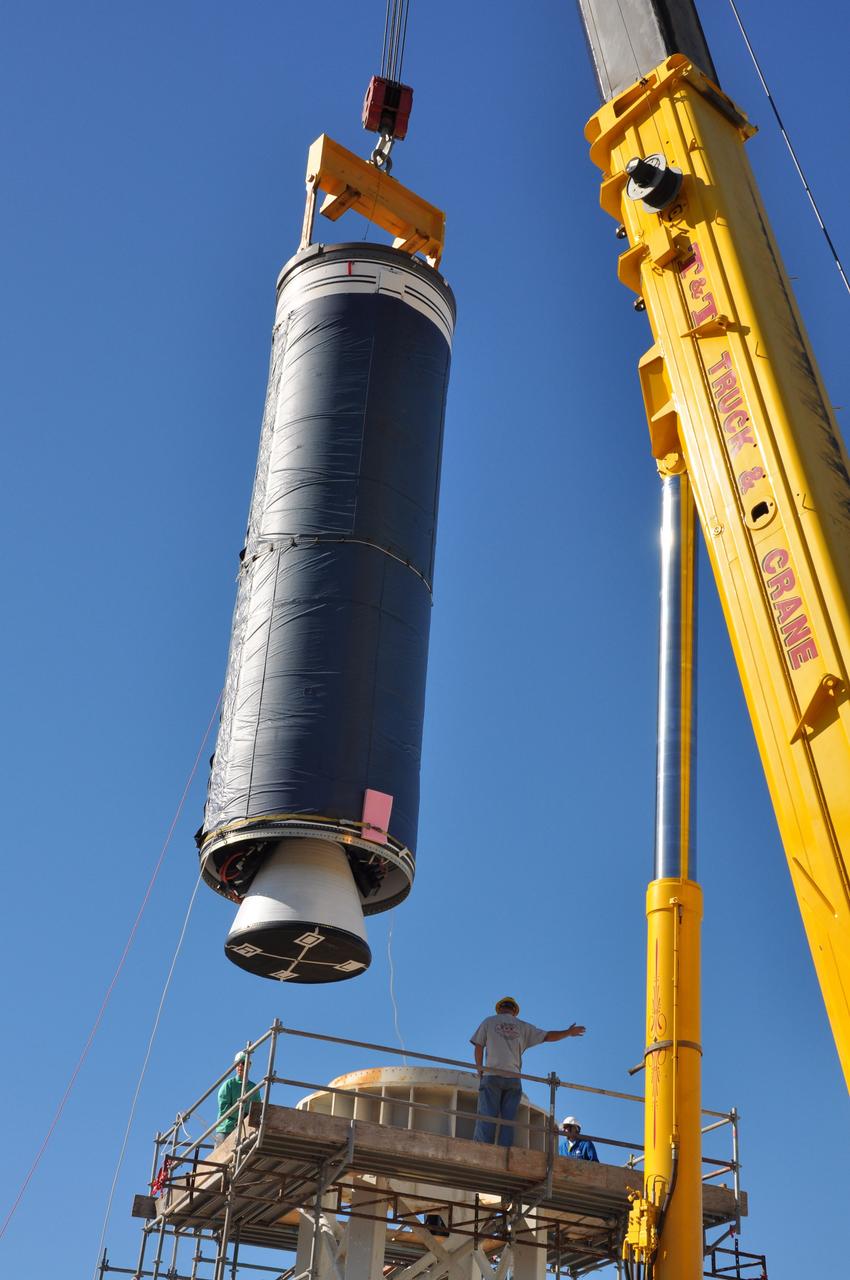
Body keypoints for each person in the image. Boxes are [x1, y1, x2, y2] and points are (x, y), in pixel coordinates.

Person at [470, 997, 586, 1147]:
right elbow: (547, 1036)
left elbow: (478, 1046)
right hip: (513, 1079)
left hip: (491, 1076)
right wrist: (568, 1032)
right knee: (508, 1120)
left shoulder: (489, 1022)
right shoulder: (522, 1026)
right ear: (515, 1011)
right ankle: (505, 1151)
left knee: (487, 1117)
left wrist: (480, 1070)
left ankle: (482, 1149)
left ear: (499, 1009)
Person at [214, 1051, 260, 1147]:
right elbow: (224, 1108)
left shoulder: (253, 1088)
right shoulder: (228, 1085)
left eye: (243, 1063)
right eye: (237, 1063)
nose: (240, 1066)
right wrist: (243, 1116)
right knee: (220, 1161)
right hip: (226, 1129)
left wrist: (246, 1119)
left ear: (249, 1065)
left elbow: (257, 1109)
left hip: (245, 1132)